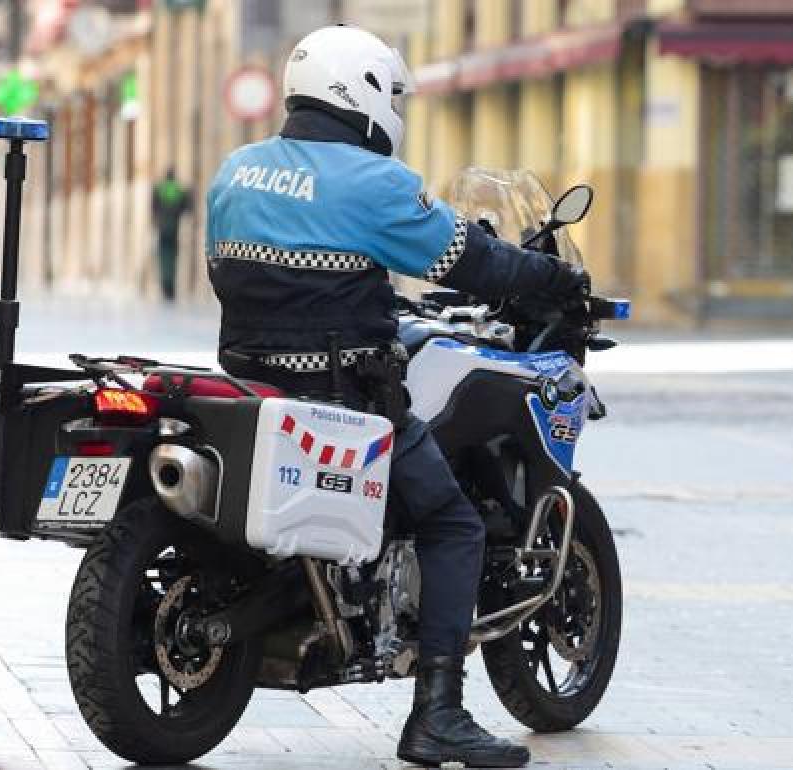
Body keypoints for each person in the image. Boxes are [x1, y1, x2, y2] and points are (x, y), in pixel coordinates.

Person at [204, 24, 587, 769]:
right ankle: (439, 714)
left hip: (251, 385)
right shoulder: (376, 183)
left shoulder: (235, 170)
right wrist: (557, 280)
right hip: (346, 397)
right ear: (369, 95)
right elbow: (469, 262)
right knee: (452, 524)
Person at [152, 168, 191, 301]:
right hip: (174, 230)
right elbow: (187, 208)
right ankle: (171, 288)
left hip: (162, 230)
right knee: (173, 259)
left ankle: (165, 286)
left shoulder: (159, 189)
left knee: (163, 258)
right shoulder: (179, 190)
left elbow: (154, 208)